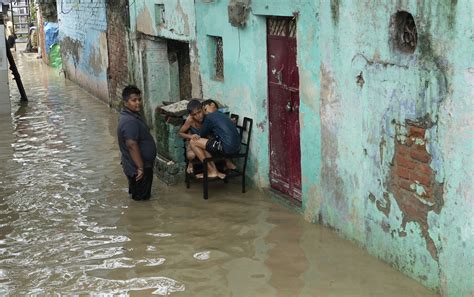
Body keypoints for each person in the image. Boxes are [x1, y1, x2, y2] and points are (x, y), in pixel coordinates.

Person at [117, 85, 157, 201]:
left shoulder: (131, 116)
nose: (138, 103)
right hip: (139, 169)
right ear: (125, 102)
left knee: (138, 197)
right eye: (133, 100)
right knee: (142, 202)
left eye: (139, 99)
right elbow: (131, 145)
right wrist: (140, 168)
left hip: (135, 166)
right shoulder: (129, 121)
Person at [189, 99, 239, 179]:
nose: (204, 112)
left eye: (204, 109)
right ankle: (216, 169)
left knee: (193, 142)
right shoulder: (222, 115)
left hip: (227, 148)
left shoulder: (210, 117)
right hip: (237, 147)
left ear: (212, 105)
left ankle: (212, 171)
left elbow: (201, 135)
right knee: (205, 144)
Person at [178, 99, 204, 174]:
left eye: (199, 112)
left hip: (205, 140)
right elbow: (180, 133)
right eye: (194, 115)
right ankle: (190, 163)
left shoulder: (207, 116)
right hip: (194, 141)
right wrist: (191, 136)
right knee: (191, 155)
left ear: (202, 109)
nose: (198, 116)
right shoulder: (190, 120)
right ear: (191, 115)